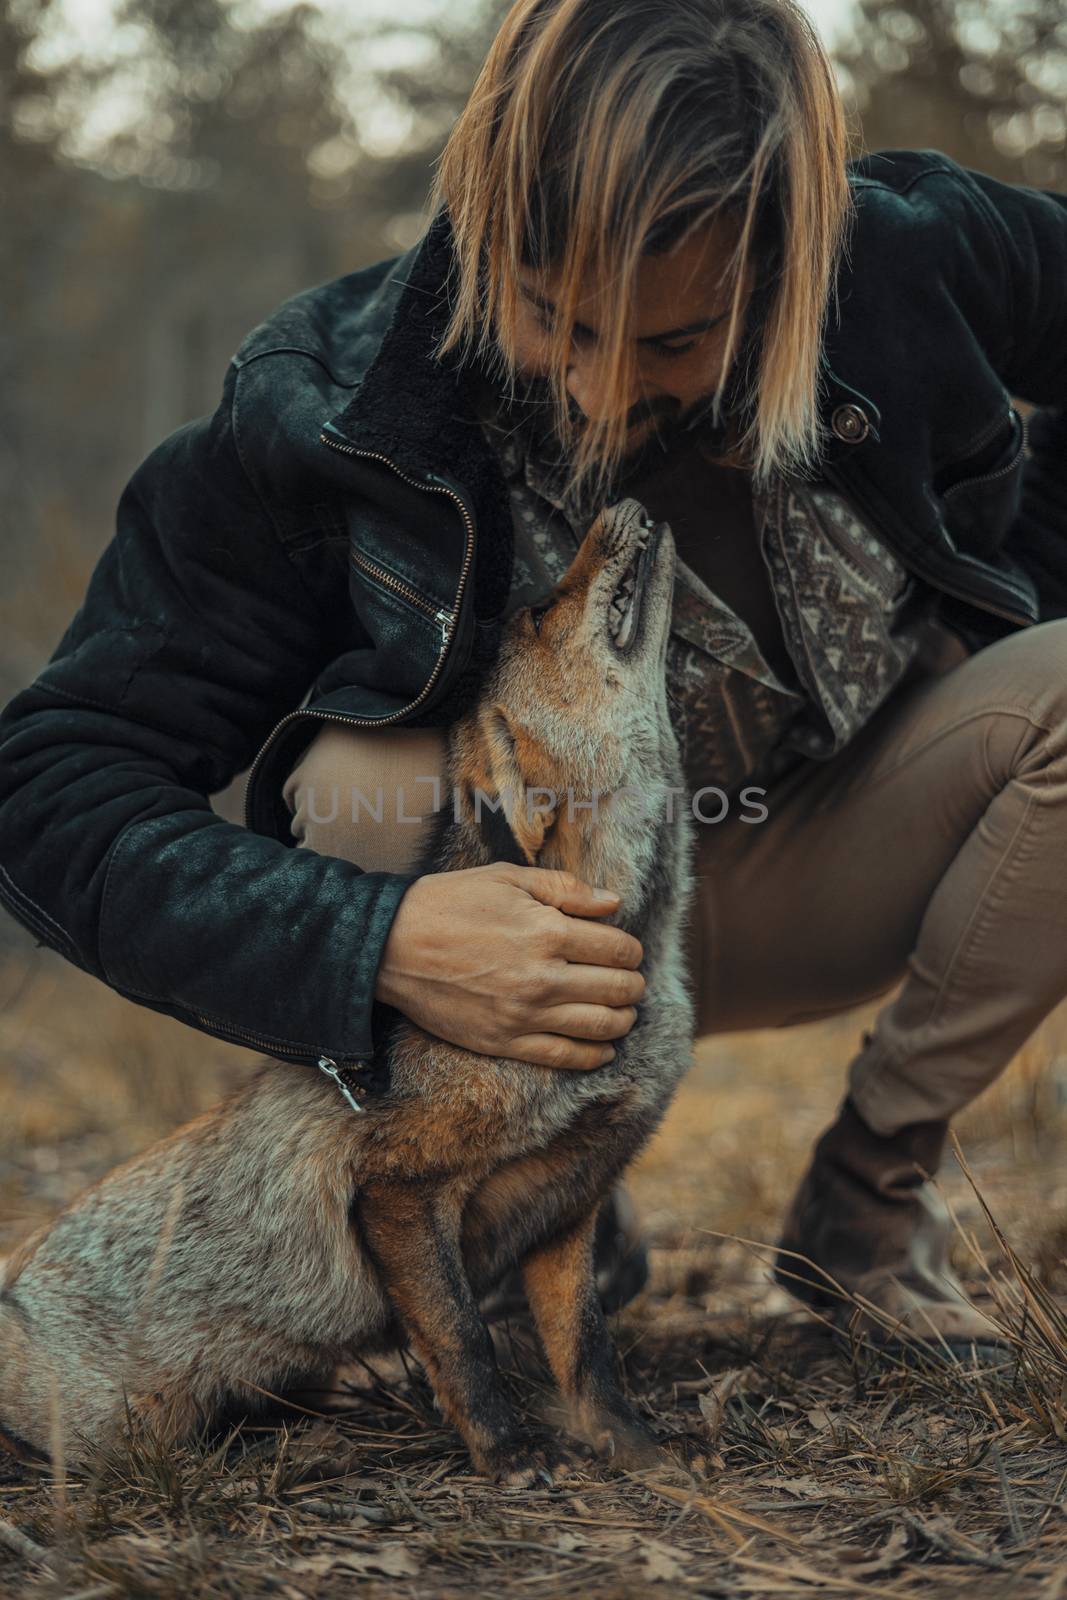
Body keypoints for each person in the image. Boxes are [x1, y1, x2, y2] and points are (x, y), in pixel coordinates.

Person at [1, 0, 1066, 1346]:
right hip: (521, 936)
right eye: (557, 321)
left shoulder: (919, 261)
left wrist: (1015, 602)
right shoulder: (319, 404)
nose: (606, 394)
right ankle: (532, 1218)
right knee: (363, 777)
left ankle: (870, 1194)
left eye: (678, 343)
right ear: (486, 211)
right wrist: (372, 941)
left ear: (797, 251)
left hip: (822, 856)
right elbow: (53, 781)